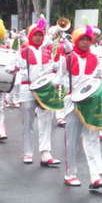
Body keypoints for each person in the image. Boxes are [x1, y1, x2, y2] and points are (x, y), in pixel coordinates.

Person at [60, 26, 102, 189]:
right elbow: (60, 78)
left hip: (90, 103)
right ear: (76, 40)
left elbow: (98, 77)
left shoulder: (95, 59)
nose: (85, 42)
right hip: (72, 102)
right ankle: (70, 174)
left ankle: (95, 176)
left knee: (92, 138)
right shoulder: (67, 58)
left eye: (87, 39)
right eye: (81, 39)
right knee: (72, 140)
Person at [16, 20, 61, 167]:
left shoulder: (47, 51)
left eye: (40, 35)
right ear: (30, 36)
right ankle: (28, 152)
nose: (38, 38)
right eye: (35, 35)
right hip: (27, 89)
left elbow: (52, 69)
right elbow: (14, 66)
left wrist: (54, 70)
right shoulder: (23, 51)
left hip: (44, 90)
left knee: (46, 121)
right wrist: (14, 69)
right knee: (28, 123)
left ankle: (45, 152)